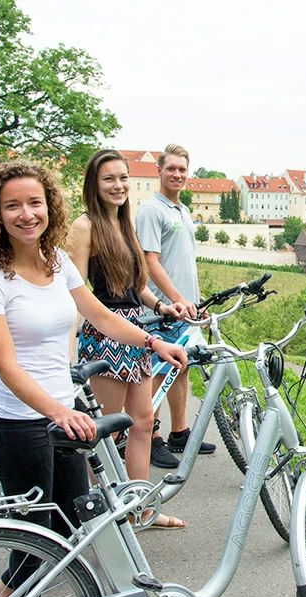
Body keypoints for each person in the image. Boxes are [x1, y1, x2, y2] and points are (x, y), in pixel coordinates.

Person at [0, 160, 188, 597]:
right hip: (21, 422)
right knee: (36, 533)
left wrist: (154, 342)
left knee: (68, 526)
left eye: (35, 203)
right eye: (13, 205)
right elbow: (6, 366)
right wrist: (57, 413)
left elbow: (101, 315)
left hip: (64, 417)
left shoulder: (57, 263)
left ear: (50, 206)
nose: (26, 214)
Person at [68, 149, 187, 529]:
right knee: (104, 430)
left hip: (135, 331)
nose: (118, 186)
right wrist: (68, 342)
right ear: (94, 184)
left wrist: (161, 305)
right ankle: (90, 516)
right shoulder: (85, 227)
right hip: (105, 333)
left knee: (143, 422)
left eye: (123, 178)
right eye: (109, 179)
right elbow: (75, 289)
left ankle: (141, 508)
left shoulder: (126, 222)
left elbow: (136, 286)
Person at [135, 143, 215, 466]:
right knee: (156, 370)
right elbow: (150, 262)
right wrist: (177, 299)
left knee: (181, 367)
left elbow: (184, 264)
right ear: (159, 171)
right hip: (162, 309)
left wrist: (196, 301)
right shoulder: (151, 211)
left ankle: (179, 432)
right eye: (171, 169)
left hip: (184, 308)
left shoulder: (182, 212)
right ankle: (152, 436)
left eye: (182, 169)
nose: (177, 174)